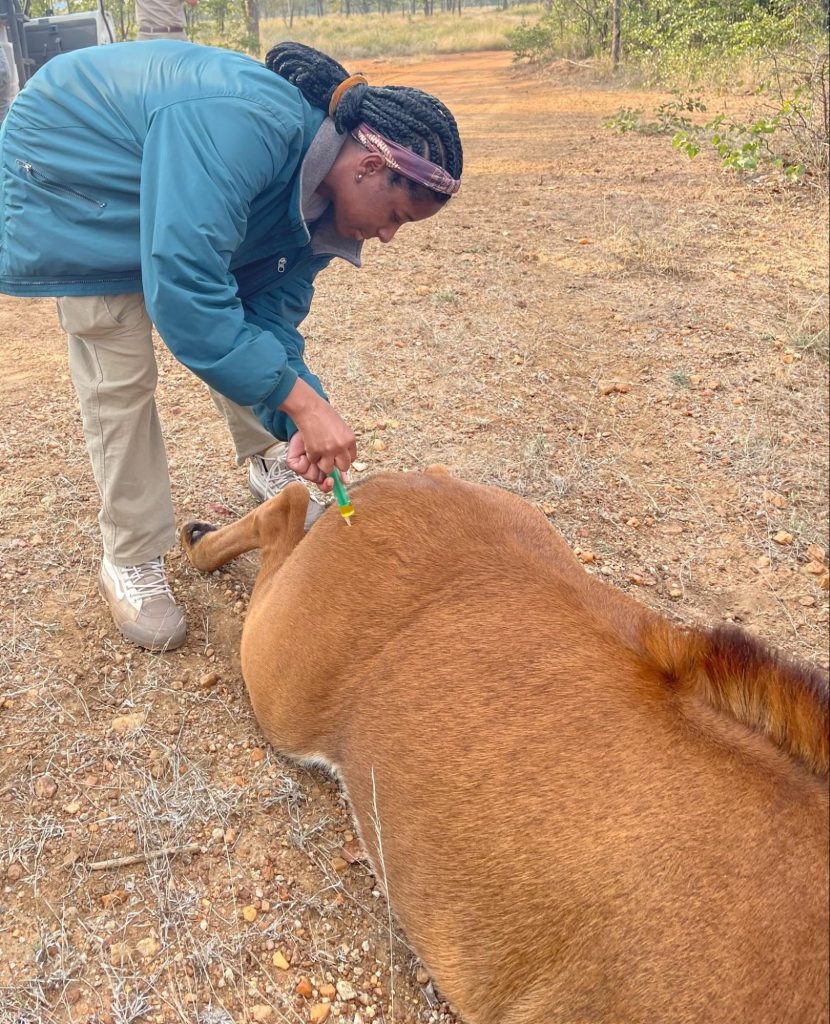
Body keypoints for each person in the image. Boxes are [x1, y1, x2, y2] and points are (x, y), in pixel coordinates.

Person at [0, 40, 463, 652]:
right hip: (78, 162)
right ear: (369, 167)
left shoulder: (322, 207)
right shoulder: (242, 127)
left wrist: (303, 411)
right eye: (396, 217)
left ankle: (273, 455)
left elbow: (268, 319)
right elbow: (186, 293)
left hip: (170, 170)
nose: (387, 236)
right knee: (119, 362)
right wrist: (303, 405)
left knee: (247, 332)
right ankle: (130, 555)